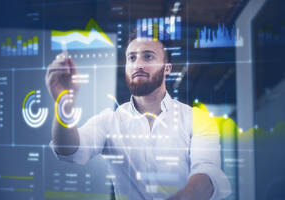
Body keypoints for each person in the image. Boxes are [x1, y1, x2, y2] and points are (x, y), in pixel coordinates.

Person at [45, 34, 231, 199]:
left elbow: (207, 174)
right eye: (131, 58)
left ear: (167, 68)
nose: (138, 64)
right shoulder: (109, 121)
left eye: (148, 56)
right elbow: (68, 149)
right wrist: (64, 101)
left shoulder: (197, 119)